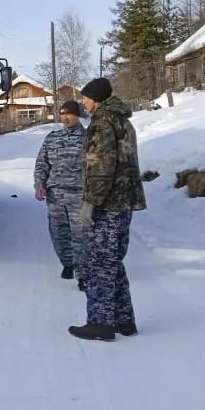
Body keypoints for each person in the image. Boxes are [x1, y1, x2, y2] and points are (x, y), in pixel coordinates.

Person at [69, 78, 147, 342]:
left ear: (97, 99)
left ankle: (100, 323)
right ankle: (124, 320)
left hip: (108, 202)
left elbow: (102, 166)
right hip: (124, 201)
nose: (83, 102)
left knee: (99, 263)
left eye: (86, 98)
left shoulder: (102, 123)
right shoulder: (122, 120)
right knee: (113, 261)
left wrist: (91, 201)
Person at [33, 100, 87, 288]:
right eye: (62, 114)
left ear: (77, 115)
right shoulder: (52, 138)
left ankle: (83, 275)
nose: (65, 117)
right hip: (55, 195)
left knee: (80, 236)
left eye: (69, 114)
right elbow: (42, 164)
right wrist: (39, 184)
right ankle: (68, 264)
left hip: (79, 195)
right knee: (58, 234)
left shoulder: (88, 138)